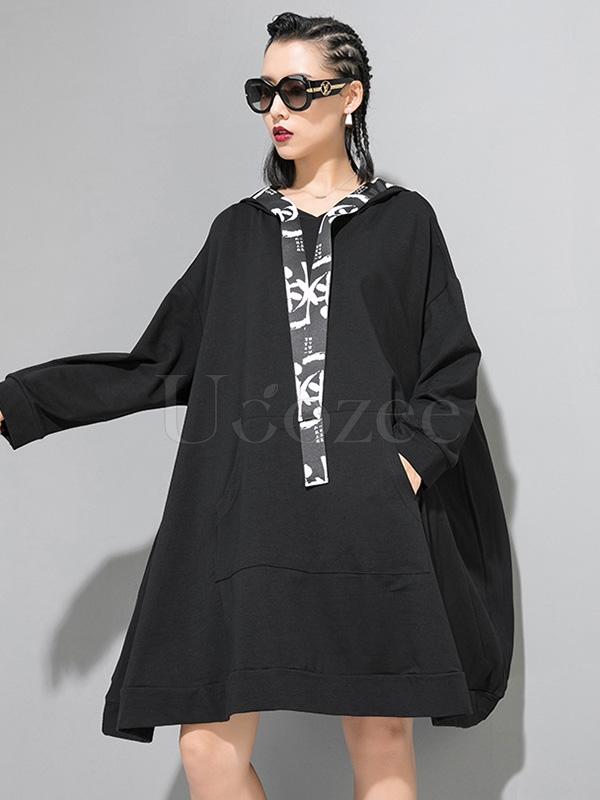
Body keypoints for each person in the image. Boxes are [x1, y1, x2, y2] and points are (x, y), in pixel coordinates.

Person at [0, 11, 514, 800]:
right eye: (263, 91)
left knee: (380, 742)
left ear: (351, 96)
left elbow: (449, 370)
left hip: (369, 518)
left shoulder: (405, 222)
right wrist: (19, 401)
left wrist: (404, 470)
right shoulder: (239, 232)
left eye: (297, 90)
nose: (277, 108)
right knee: (209, 748)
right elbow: (161, 362)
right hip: (251, 513)